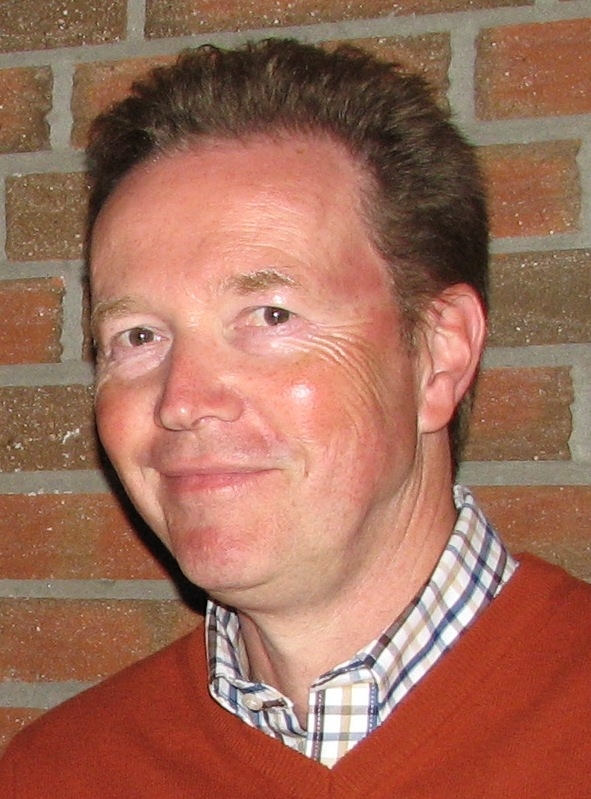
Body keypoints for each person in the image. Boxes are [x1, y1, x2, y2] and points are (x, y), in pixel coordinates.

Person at [1, 38, 590, 798]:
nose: (182, 400)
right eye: (138, 336)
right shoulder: (57, 773)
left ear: (438, 356)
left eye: (270, 315)